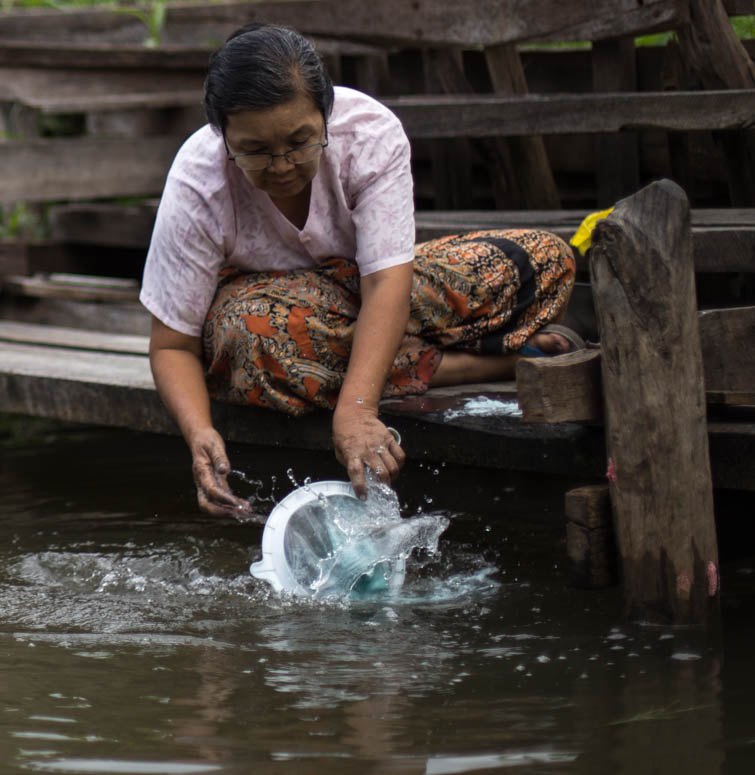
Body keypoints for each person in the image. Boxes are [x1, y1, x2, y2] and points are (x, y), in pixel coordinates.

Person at [140, 23, 577, 517]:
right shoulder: (197, 179)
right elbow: (173, 343)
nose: (282, 164)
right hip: (273, 314)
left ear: (326, 115)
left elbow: (386, 280)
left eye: (300, 140)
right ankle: (470, 365)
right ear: (222, 135)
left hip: (373, 292)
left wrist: (357, 410)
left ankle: (401, 358)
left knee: (545, 258)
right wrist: (200, 434)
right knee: (252, 335)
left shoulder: (369, 131)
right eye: (255, 151)